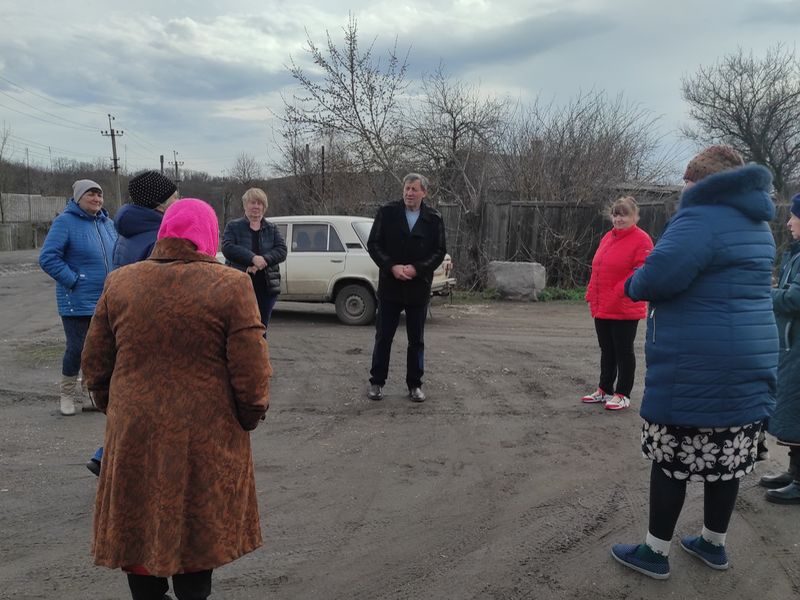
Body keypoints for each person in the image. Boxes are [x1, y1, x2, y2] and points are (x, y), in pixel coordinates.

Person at [81, 198, 271, 600]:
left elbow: (95, 365)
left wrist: (116, 409)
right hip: (205, 433)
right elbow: (252, 372)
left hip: (134, 429)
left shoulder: (121, 282)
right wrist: (247, 417)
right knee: (195, 533)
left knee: (138, 525)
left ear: (165, 231)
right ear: (209, 236)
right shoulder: (231, 284)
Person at [610, 146, 778, 579]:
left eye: (687, 180)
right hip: (748, 359)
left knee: (673, 456)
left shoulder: (700, 218)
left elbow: (660, 275)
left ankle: (654, 552)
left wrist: (631, 283)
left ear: (702, 182)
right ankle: (713, 543)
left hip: (698, 362)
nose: (683, 188)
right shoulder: (759, 224)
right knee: (727, 457)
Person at [86, 170, 179, 476]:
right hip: (149, 324)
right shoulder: (155, 238)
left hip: (125, 322)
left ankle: (107, 453)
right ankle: (112, 457)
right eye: (174, 197)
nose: (177, 201)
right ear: (159, 205)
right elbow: (160, 288)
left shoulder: (126, 231)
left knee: (135, 399)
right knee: (151, 402)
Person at [39, 179, 117, 416]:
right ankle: (68, 395)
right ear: (78, 198)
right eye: (90, 195)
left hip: (107, 299)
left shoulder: (107, 223)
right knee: (77, 349)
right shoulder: (65, 222)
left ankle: (92, 394)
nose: (96, 199)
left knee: (101, 350)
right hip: (77, 300)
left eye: (99, 195)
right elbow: (48, 258)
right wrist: (74, 279)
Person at [366, 173, 447, 403]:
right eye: (407, 188)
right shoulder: (387, 212)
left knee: (416, 340)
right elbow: (373, 244)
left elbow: (439, 251)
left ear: (424, 193)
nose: (409, 193)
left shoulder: (434, 218)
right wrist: (391, 266)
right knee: (383, 336)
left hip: (417, 287)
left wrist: (417, 269)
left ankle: (415, 385)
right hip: (391, 286)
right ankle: (376, 382)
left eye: (414, 189)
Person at [582, 196, 653, 410]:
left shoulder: (642, 240)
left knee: (623, 350)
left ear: (635, 216)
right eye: (615, 214)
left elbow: (641, 271)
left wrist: (620, 290)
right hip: (602, 304)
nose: (618, 219)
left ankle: (623, 393)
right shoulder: (607, 237)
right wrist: (590, 294)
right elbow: (598, 268)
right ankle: (605, 389)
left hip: (624, 305)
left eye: (623, 215)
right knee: (607, 349)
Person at [759, 192, 800, 504]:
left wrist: (767, 295)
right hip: (791, 344)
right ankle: (793, 471)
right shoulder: (796, 253)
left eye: (794, 216)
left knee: (797, 408)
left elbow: (796, 298)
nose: (789, 222)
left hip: (797, 345)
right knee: (791, 410)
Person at [222, 187, 287, 333]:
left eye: (260, 203)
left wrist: (262, 261)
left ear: (264, 207)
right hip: (239, 285)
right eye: (252, 202)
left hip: (266, 287)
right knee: (239, 326)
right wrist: (252, 259)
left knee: (261, 327)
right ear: (245, 205)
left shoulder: (272, 228)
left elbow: (282, 250)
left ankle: (259, 355)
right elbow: (228, 248)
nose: (256, 206)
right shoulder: (233, 226)